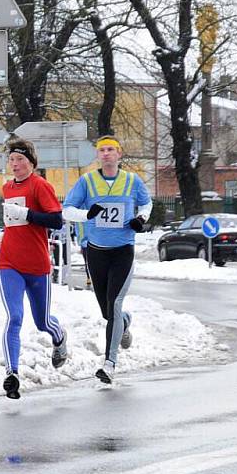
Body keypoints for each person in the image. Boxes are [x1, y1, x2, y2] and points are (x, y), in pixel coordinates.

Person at [62, 135, 152, 384]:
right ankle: (125, 321)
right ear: (98, 155)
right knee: (107, 311)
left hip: (123, 250)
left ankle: (109, 364)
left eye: (111, 149)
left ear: (119, 154)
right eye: (102, 150)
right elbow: (67, 209)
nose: (106, 154)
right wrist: (86, 214)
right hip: (96, 251)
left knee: (113, 304)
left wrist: (140, 219)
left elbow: (147, 203)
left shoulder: (132, 181)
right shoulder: (87, 181)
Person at [0, 138, 66, 400]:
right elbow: (14, 222)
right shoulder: (6, 187)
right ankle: (12, 374)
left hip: (37, 265)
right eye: (11, 160)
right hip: (9, 262)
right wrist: (1, 236)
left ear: (31, 162)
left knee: (42, 322)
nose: (15, 164)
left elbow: (56, 220)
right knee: (14, 318)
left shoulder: (40, 186)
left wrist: (28, 216)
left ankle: (59, 338)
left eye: (20, 159)